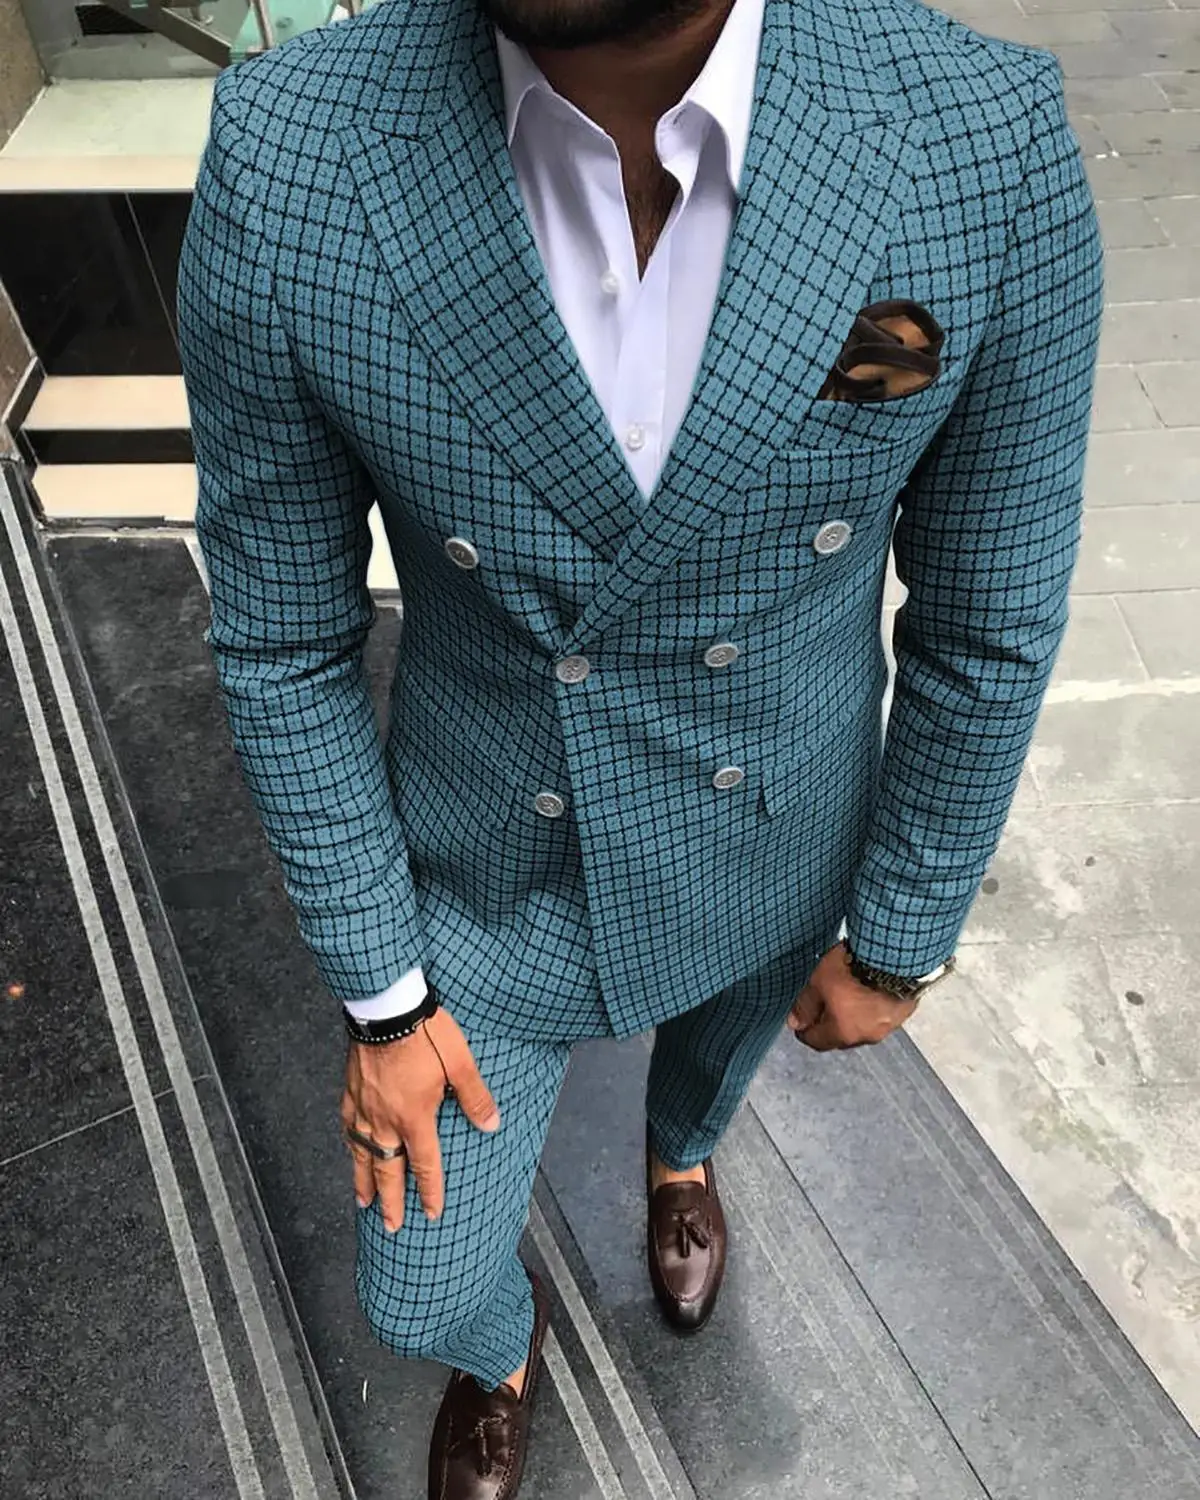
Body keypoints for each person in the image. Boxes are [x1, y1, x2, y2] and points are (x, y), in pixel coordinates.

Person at [176, 0, 1104, 1489]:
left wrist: (902, 936)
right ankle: (498, 1343)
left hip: (778, 814)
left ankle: (680, 1156)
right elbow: (283, 637)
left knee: (721, 1052)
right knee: (414, 1279)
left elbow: (987, 617)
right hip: (490, 850)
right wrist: (383, 1004)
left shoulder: (979, 139)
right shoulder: (294, 147)